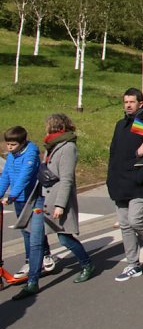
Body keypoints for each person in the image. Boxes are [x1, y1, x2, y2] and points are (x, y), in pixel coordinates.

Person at [13, 114, 95, 300]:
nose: (45, 129)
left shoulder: (68, 147)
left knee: (65, 239)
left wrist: (60, 205)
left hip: (57, 199)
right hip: (41, 198)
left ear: (55, 127)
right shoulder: (51, 146)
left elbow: (67, 179)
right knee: (36, 242)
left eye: (47, 126)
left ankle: (87, 264)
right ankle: (32, 282)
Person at [107, 88, 143, 281]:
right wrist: (110, 177)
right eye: (126, 102)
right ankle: (133, 264)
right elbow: (113, 152)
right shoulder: (121, 124)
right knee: (124, 224)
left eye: (132, 102)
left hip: (138, 179)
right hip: (119, 180)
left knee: (135, 219)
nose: (128, 105)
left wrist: (140, 153)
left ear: (140, 103)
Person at [0, 126, 54, 283]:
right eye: (7, 144)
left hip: (33, 197)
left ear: (22, 142)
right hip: (19, 199)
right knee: (25, 231)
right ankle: (30, 260)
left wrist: (12, 195)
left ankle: (44, 255)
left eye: (13, 145)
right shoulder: (12, 155)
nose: (9, 148)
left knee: (35, 231)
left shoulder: (31, 154)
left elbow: (25, 175)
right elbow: (6, 176)